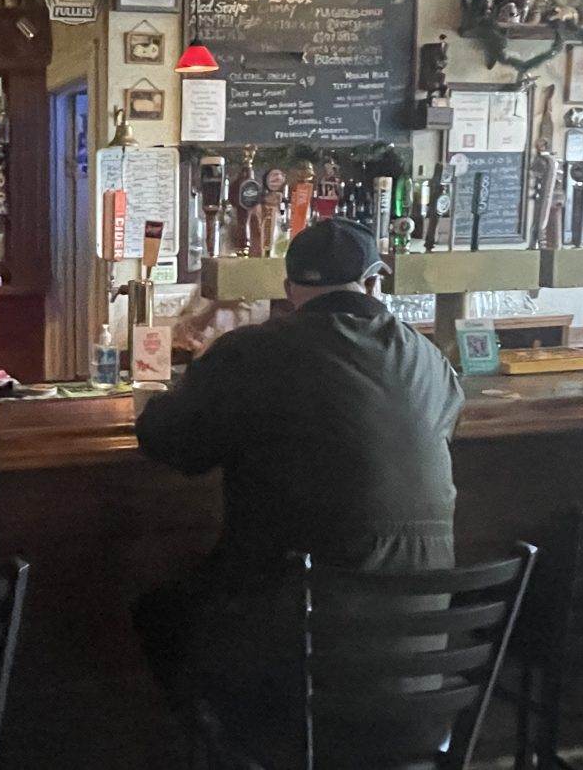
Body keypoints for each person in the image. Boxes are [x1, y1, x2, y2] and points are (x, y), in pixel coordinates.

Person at [133, 218, 464, 750]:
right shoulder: (430, 360)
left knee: (161, 614)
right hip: (421, 669)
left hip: (303, 666)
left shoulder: (253, 353)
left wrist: (148, 396)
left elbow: (170, 443)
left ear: (289, 292)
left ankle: (244, 754)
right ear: (375, 281)